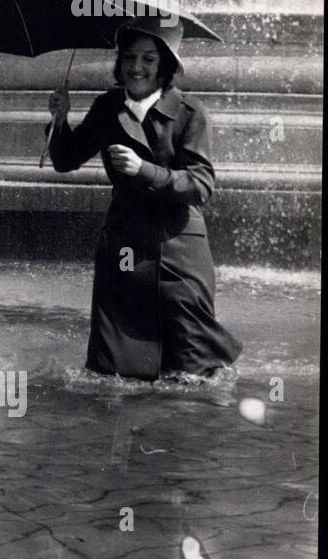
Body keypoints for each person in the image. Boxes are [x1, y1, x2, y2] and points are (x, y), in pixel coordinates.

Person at [47, 19, 241, 380]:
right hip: (125, 247)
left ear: (165, 65)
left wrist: (144, 169)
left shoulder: (190, 112)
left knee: (193, 370)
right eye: (130, 58)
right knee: (115, 372)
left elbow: (201, 185)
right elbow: (65, 160)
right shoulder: (107, 107)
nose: (137, 67)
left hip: (178, 250)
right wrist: (59, 121)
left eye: (149, 59)